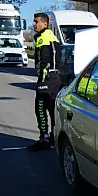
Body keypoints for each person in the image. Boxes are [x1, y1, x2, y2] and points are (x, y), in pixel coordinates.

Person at [27, 13, 62, 151]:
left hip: (48, 78)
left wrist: (47, 75)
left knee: (41, 107)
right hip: (48, 78)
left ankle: (45, 138)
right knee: (50, 108)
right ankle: (52, 137)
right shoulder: (43, 36)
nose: (34, 24)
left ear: (45, 24)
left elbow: (51, 59)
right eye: (33, 21)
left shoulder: (46, 37)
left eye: (36, 21)